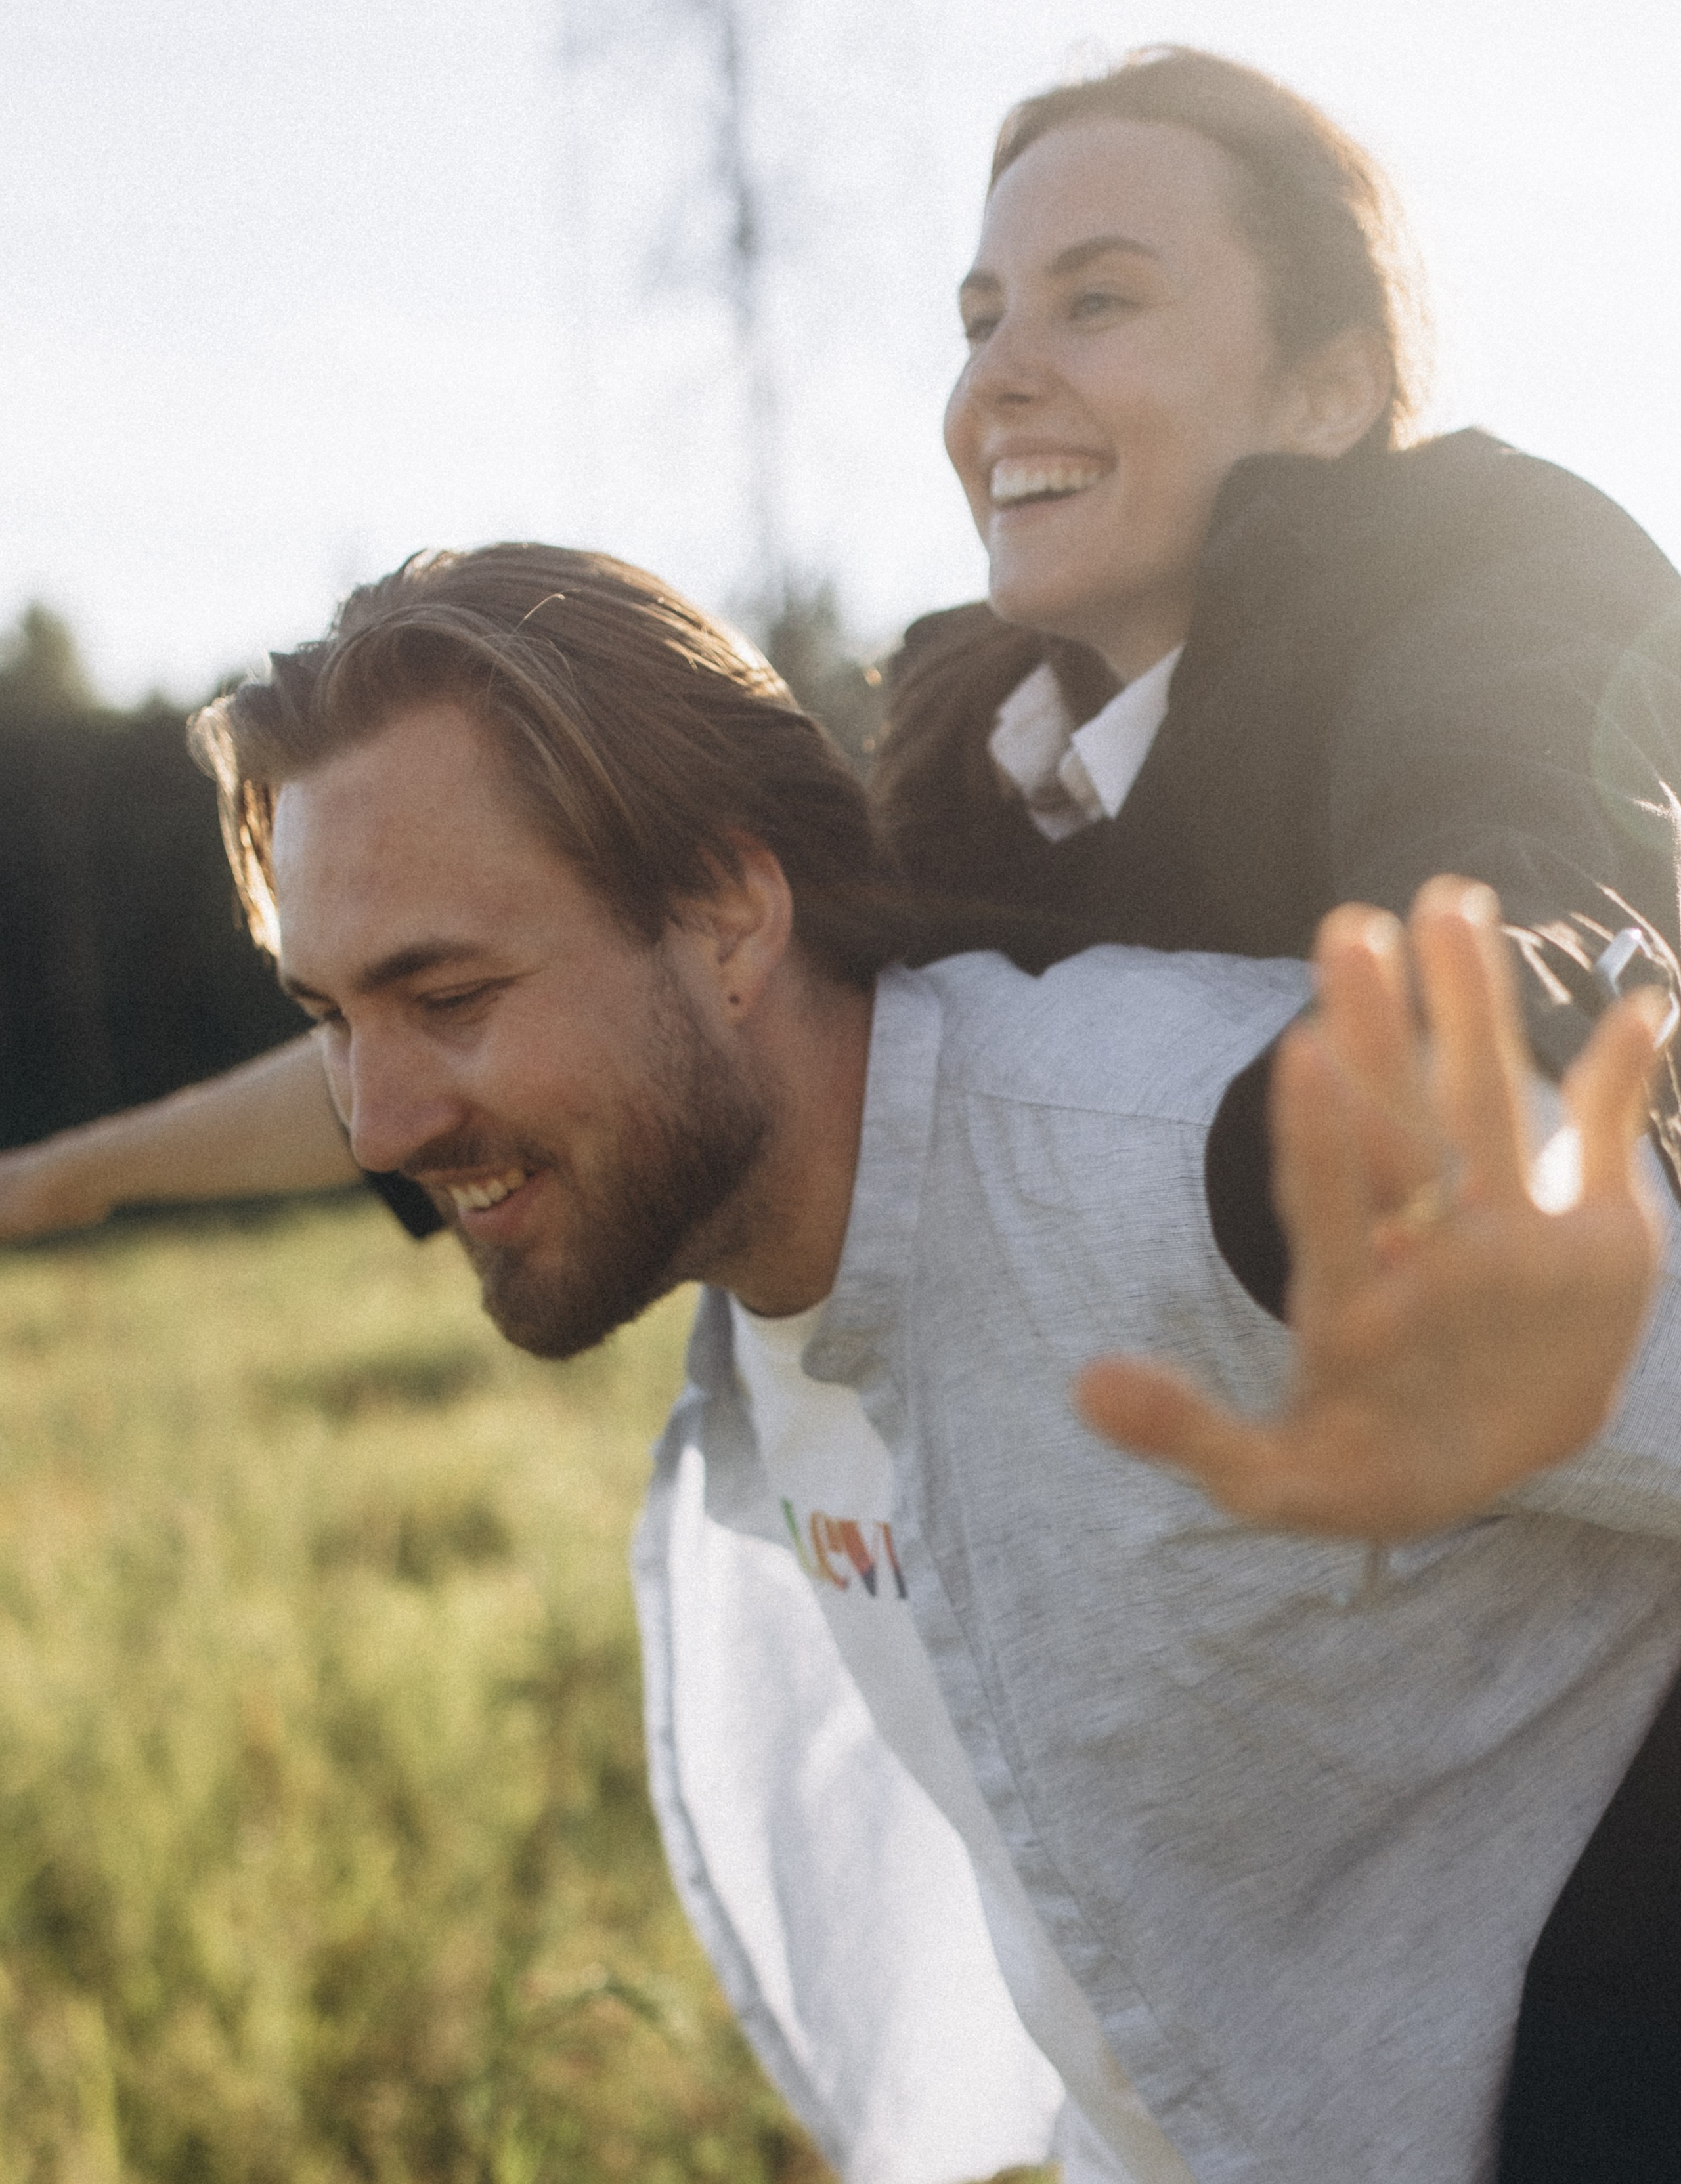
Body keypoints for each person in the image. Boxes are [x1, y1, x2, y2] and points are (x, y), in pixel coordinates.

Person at [5, 46, 1681, 2166]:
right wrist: (67, 1179)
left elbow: (1536, 936)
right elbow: (554, 1014)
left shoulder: (1480, 583)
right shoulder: (980, 744)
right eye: (980, 319)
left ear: (1333, 391)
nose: (1004, 378)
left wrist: (1424, 1194)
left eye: (1098, 299)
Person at [175, 538, 1681, 2184]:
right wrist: (68, 1179)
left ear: (730, 914)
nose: (378, 1123)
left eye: (447, 994)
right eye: (327, 1017)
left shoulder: (1207, 1163)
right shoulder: (753, 1273)